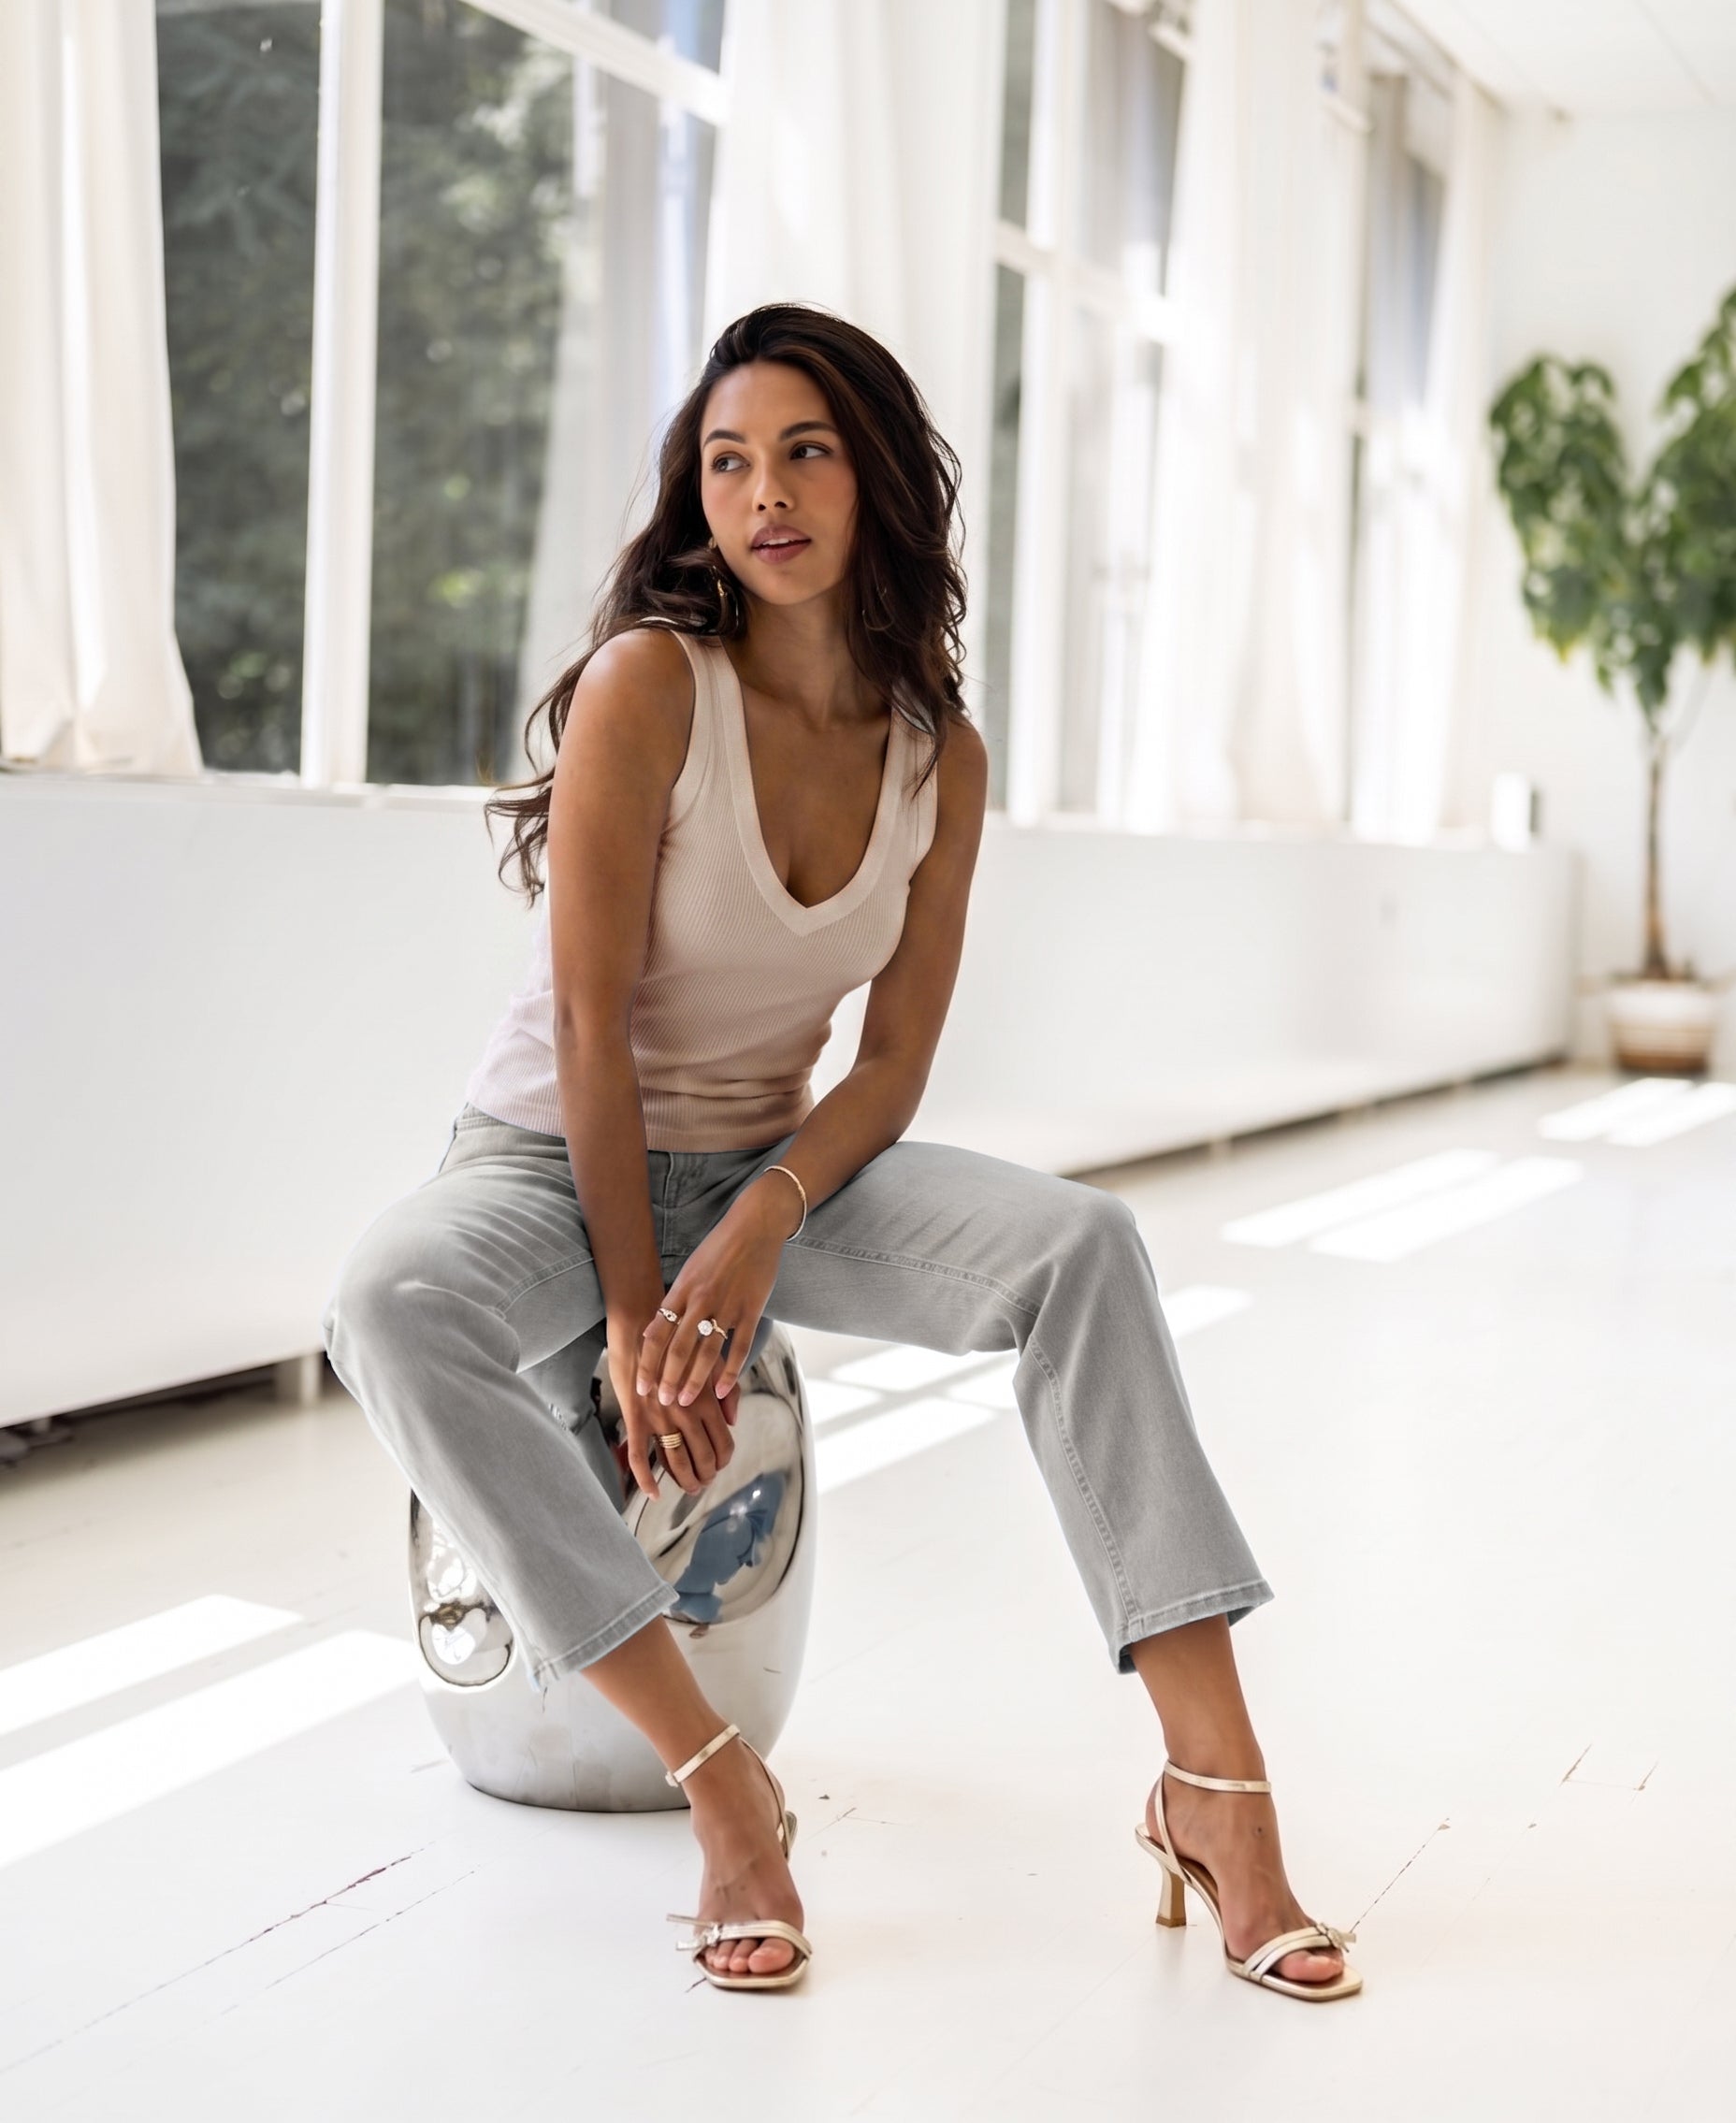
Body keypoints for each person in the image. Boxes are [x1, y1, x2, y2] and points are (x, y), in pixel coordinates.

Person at [323, 304, 1360, 2003]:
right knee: (386, 1297)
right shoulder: (650, 684)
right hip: (542, 1165)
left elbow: (889, 1064)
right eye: (727, 461)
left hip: (777, 1167)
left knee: (1081, 1244)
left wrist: (746, 1241)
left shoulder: (934, 749)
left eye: (805, 450)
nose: (766, 492)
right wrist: (652, 1305)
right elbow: (591, 1028)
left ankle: (1217, 1792)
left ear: (874, 477)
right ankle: (721, 1780)